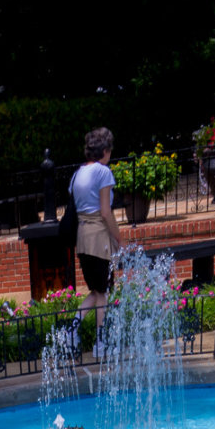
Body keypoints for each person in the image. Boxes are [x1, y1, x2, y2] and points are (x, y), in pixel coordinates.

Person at [70, 128, 122, 346]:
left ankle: (71, 330)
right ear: (105, 151)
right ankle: (101, 343)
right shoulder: (103, 172)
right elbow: (105, 211)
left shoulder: (77, 173)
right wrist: (120, 239)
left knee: (96, 290)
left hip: (81, 239)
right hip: (98, 238)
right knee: (103, 292)